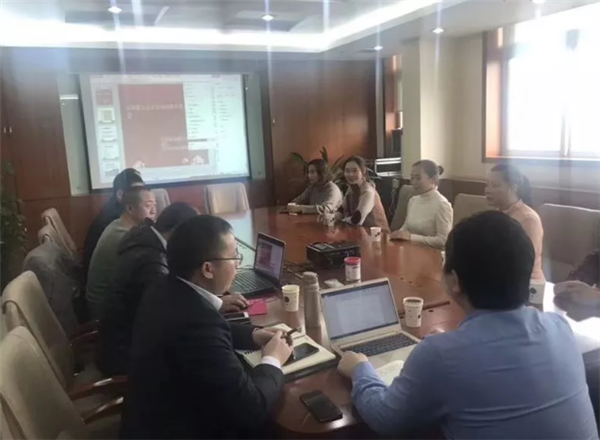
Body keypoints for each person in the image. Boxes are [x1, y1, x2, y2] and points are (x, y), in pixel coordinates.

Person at [338, 211, 598, 440]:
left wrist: (361, 369)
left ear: (455, 281)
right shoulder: (559, 327)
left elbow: (385, 419)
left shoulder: (441, 354)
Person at [121, 215, 293, 440]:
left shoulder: (164, 286)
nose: (238, 264)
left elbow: (209, 331)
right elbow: (250, 408)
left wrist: (254, 335)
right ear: (208, 269)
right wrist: (273, 359)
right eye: (234, 257)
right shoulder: (196, 324)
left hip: (149, 416)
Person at [96, 202, 249, 377]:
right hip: (124, 359)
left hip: (119, 343)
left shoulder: (144, 238)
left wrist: (251, 333)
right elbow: (186, 320)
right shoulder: (153, 266)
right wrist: (211, 303)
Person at [86, 186, 156, 320]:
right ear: (130, 208)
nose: (153, 211)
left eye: (155, 205)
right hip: (103, 314)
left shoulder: (118, 224)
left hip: (107, 305)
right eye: (148, 206)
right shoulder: (124, 237)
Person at [485, 164, 545, 281]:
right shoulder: (495, 214)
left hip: (527, 284)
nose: (488, 190)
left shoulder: (528, 219)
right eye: (487, 185)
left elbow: (522, 263)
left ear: (513, 188)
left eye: (495, 185)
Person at [83, 169, 144, 278]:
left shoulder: (114, 209)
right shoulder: (114, 220)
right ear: (120, 194)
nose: (142, 197)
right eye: (136, 192)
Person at [390, 160, 453, 249]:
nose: (413, 182)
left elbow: (443, 241)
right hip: (410, 250)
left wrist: (410, 237)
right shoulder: (413, 200)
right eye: (412, 178)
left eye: (418, 178)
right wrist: (398, 234)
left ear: (433, 179)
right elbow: (407, 227)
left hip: (431, 254)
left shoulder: (442, 205)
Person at [340, 156, 389, 230]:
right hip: (358, 231)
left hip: (377, 234)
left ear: (363, 172)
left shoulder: (368, 192)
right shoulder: (350, 189)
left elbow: (356, 221)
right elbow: (342, 211)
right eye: (347, 171)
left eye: (355, 171)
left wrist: (341, 220)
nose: (350, 174)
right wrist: (331, 217)